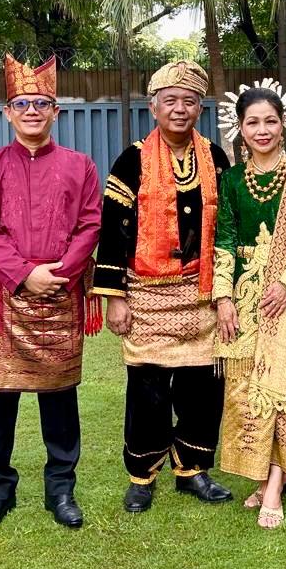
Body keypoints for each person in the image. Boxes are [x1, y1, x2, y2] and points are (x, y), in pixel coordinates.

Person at [0, 55, 102, 534]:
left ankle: (60, 487)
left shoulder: (80, 166)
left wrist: (57, 274)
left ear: (55, 111)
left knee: (60, 398)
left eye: (41, 104)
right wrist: (25, 275)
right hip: (2, 298)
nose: (31, 111)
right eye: (22, 103)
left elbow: (90, 224)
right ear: (7, 112)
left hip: (61, 293)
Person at [91, 60, 233, 512]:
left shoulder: (216, 157)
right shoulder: (131, 159)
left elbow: (228, 228)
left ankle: (193, 469)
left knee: (202, 388)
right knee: (147, 389)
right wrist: (115, 298)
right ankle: (142, 474)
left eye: (189, 101)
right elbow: (113, 230)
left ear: (199, 108)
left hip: (202, 293)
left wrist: (227, 292)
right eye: (170, 101)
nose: (179, 109)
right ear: (154, 108)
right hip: (147, 294)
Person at [212, 82, 286, 529]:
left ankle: (275, 487)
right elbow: (224, 239)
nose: (262, 130)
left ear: (285, 125)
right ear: (240, 129)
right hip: (245, 298)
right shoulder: (231, 180)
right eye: (252, 122)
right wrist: (223, 298)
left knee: (283, 390)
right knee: (246, 390)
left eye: (270, 121)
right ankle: (265, 474)